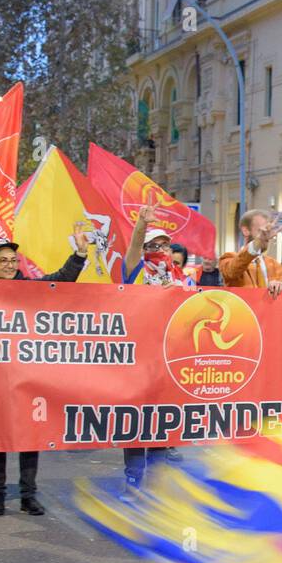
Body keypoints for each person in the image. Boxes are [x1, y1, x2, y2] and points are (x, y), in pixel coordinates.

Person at [0, 233, 89, 516]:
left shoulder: (28, 288)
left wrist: (79, 255)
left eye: (13, 260)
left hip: (27, 376)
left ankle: (28, 495)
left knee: (30, 437)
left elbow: (60, 280)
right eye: (3, 260)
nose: (9, 264)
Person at [120, 205, 184, 487]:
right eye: (154, 245)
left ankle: (156, 484)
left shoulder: (181, 278)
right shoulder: (136, 271)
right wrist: (140, 227)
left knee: (161, 422)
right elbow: (133, 250)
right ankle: (134, 480)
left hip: (170, 358)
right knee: (136, 422)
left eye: (165, 245)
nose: (161, 249)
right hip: (139, 358)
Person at [218, 209, 282, 296]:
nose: (266, 236)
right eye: (261, 231)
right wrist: (258, 242)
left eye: (268, 231)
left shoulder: (274, 265)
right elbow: (232, 270)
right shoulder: (228, 258)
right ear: (245, 231)